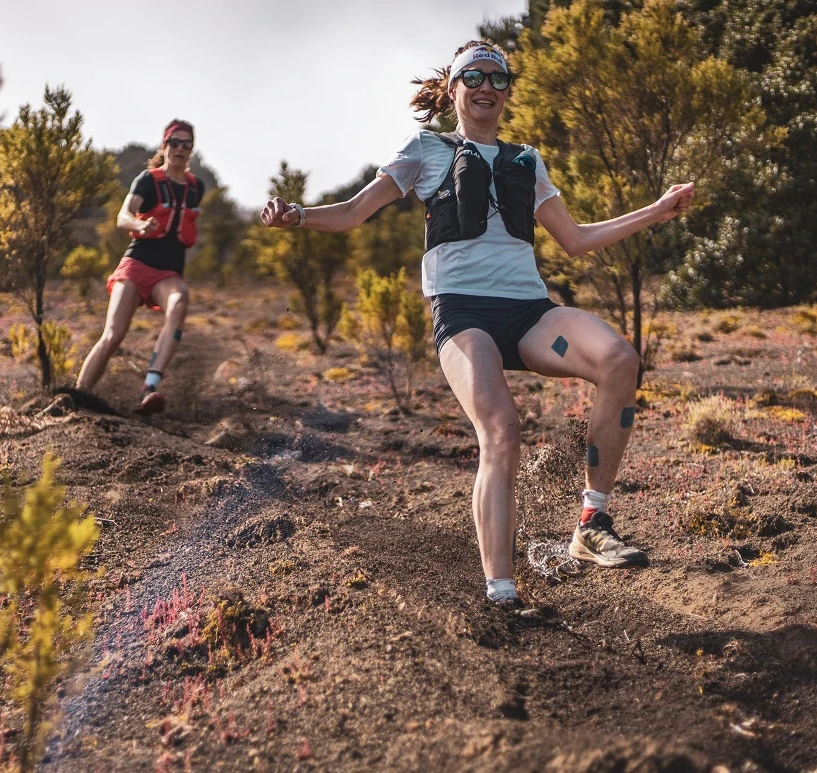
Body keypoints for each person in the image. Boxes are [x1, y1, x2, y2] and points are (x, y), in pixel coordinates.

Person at [259, 41, 694, 609]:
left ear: (508, 89)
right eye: (474, 75)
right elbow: (352, 213)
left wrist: (657, 210)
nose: (487, 85)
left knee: (619, 359)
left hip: (528, 313)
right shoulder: (425, 150)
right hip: (463, 314)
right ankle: (502, 594)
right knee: (502, 431)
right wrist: (295, 215)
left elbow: (577, 238)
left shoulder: (526, 160)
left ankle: (592, 522)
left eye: (498, 76)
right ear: (454, 88)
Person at [74, 119, 205, 415]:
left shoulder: (197, 188)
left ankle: (150, 387)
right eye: (175, 142)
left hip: (167, 273)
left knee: (180, 301)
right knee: (113, 335)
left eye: (187, 144)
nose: (180, 149)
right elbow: (123, 216)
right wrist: (139, 225)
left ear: (191, 149)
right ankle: (76, 398)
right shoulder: (148, 180)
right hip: (136, 265)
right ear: (164, 145)